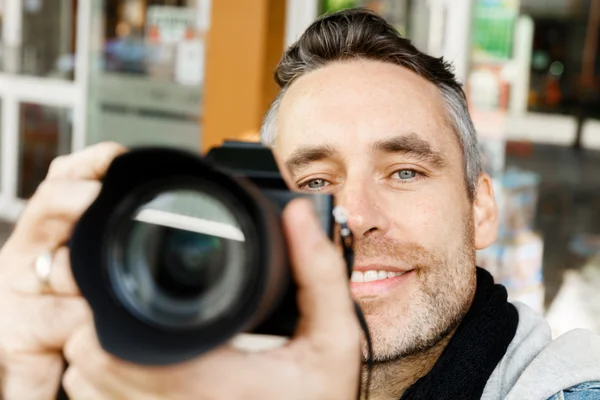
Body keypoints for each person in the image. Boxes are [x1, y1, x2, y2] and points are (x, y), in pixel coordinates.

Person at [1, 7, 599, 400]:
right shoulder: (179, 376)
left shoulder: (570, 386)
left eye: (406, 170)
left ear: (481, 208)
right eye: (314, 182)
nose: (357, 214)